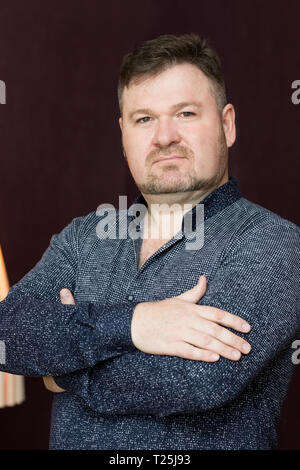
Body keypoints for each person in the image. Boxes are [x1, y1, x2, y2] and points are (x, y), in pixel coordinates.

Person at [0, 33, 299, 450]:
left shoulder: (274, 243)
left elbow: (195, 381)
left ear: (227, 124)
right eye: (144, 119)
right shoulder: (84, 236)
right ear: (124, 135)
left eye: (186, 113)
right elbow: (8, 333)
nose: (164, 137)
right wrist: (136, 323)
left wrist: (62, 369)